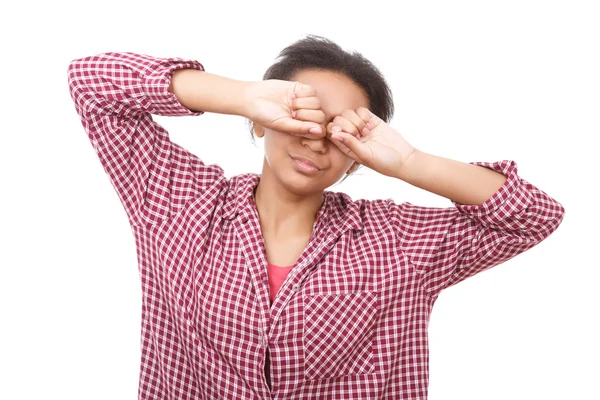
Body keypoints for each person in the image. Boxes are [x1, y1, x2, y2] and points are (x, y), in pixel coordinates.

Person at [67, 35, 565, 399]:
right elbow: (91, 83)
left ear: (358, 156)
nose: (314, 139)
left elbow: (533, 216)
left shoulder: (395, 241)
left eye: (338, 131)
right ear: (261, 124)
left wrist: (411, 163)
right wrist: (240, 96)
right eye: (303, 116)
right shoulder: (179, 206)